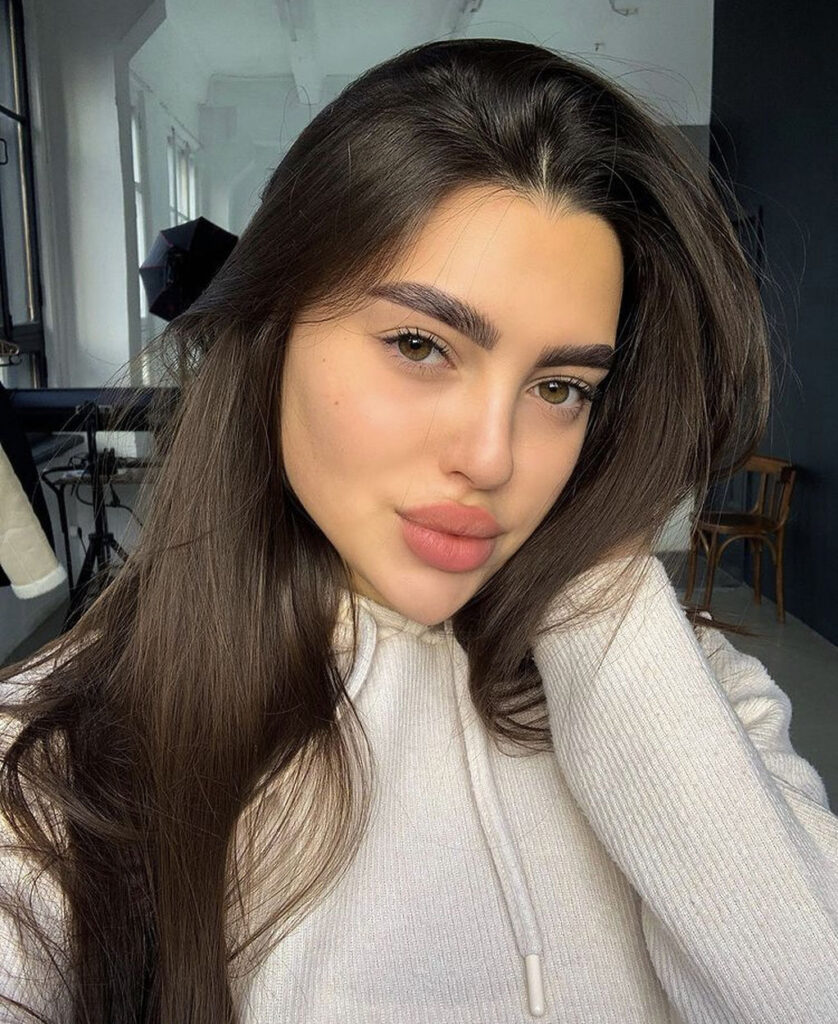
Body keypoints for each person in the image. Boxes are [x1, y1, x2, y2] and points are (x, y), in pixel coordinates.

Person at [1, 37, 836, 1024]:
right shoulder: (55, 754)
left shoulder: (706, 695)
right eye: (418, 344)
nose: (492, 458)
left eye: (560, 387)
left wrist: (594, 581)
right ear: (271, 333)